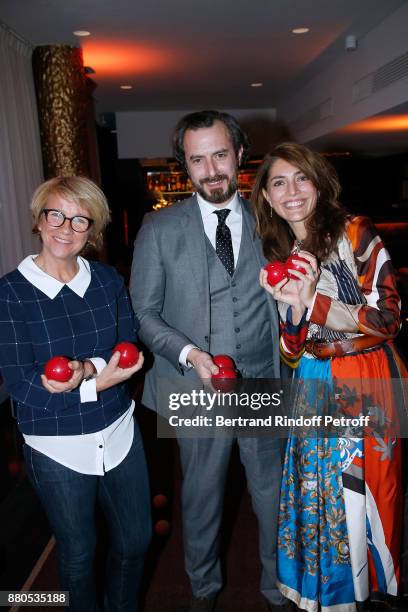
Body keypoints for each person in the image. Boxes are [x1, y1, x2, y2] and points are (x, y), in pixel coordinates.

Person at [130, 110, 291, 612]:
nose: (210, 169)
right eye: (197, 159)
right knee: (201, 497)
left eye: (220, 154)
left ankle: (278, 586)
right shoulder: (159, 228)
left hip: (263, 382)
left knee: (272, 497)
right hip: (192, 387)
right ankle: (202, 590)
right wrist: (189, 353)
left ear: (240, 156)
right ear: (186, 165)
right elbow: (144, 313)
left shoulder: (274, 222)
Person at [253, 141, 407, 612]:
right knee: (321, 492)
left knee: (367, 492)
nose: (292, 191)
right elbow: (290, 351)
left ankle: (372, 592)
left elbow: (390, 319)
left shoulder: (356, 233)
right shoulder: (280, 251)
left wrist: (314, 301)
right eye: (279, 182)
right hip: (314, 380)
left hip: (367, 374)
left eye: (302, 178)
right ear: (266, 197)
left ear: (319, 182)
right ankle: (332, 592)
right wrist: (294, 312)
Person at [0, 177, 151, 612]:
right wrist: (95, 385)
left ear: (93, 228)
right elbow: (23, 386)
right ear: (39, 219)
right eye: (56, 214)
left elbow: (128, 340)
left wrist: (90, 372)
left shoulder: (105, 278)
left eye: (80, 219)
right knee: (79, 555)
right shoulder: (10, 293)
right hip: (57, 445)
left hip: (119, 431)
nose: (66, 227)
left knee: (136, 541)